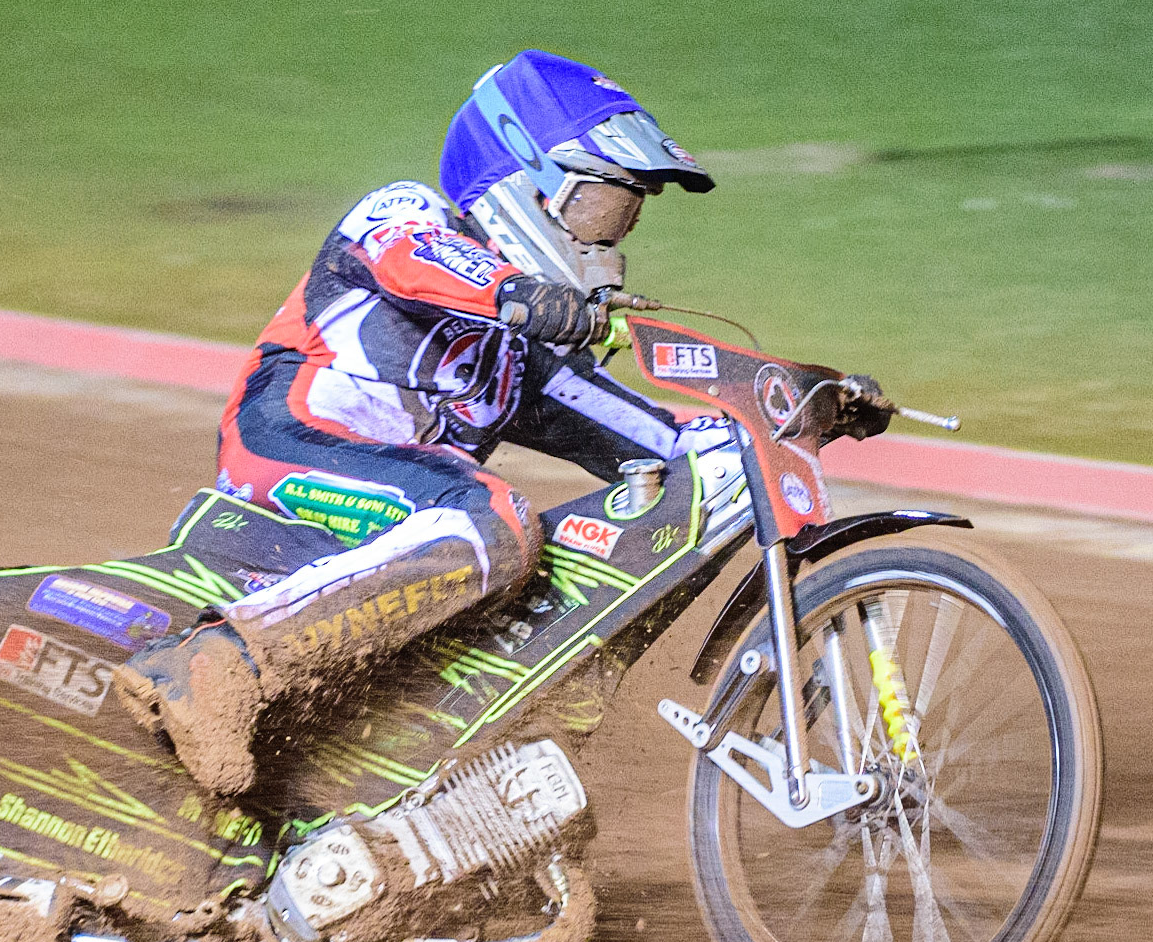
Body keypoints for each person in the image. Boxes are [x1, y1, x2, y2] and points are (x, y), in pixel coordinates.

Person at [116, 49, 727, 795]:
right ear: (521, 180)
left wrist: (783, 414)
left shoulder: (524, 358)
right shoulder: (402, 213)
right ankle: (217, 664)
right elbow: (418, 263)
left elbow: (668, 447)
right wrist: (521, 295)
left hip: (398, 510)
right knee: (493, 518)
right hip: (284, 446)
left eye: (625, 217)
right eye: (601, 207)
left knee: (570, 562)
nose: (609, 240)